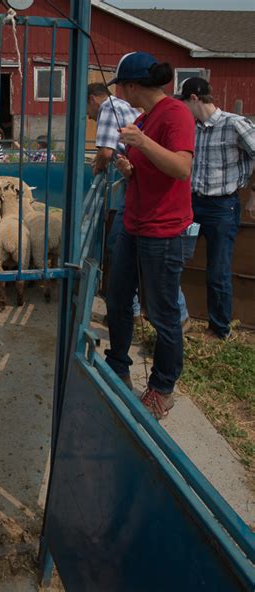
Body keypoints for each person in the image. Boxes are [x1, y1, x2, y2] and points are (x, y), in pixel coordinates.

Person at [104, 51, 195, 420]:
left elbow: (181, 168)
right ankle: (118, 365)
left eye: (120, 86)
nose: (119, 92)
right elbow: (152, 171)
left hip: (162, 231)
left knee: (161, 313)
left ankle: (162, 387)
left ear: (131, 85)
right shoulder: (145, 117)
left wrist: (141, 143)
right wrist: (130, 169)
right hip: (135, 225)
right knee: (117, 299)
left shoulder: (175, 114)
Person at [87, 82, 192, 330]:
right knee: (127, 252)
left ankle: (174, 319)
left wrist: (98, 169)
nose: (89, 116)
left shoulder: (109, 108)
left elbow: (104, 152)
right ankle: (134, 313)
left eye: (87, 111)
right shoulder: (140, 112)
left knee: (147, 261)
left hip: (151, 200)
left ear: (93, 100)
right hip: (138, 183)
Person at [176, 77, 255, 340]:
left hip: (222, 206)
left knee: (218, 270)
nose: (183, 108)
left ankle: (219, 329)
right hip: (192, 202)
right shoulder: (192, 128)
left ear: (194, 99)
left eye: (184, 102)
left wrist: (254, 194)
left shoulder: (234, 124)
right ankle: (178, 316)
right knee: (173, 257)